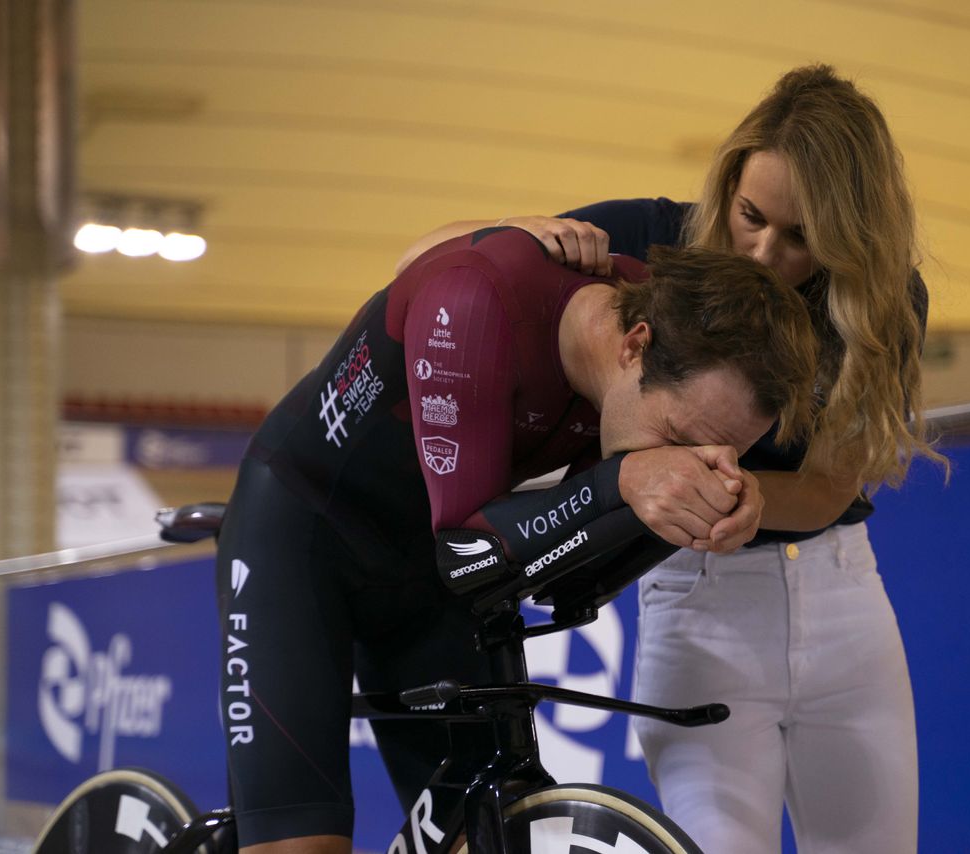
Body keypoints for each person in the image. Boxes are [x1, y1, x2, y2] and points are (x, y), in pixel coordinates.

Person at [398, 65, 946, 854]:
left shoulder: (885, 297)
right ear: (727, 183)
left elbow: (829, 488)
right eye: (751, 214)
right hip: (699, 603)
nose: (763, 252)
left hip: (845, 604)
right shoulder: (657, 238)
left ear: (850, 238)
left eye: (802, 238)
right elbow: (421, 261)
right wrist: (517, 231)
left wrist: (746, 494)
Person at [216, 224, 819, 853]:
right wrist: (624, 483)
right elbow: (463, 551)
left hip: (432, 573)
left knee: (480, 830)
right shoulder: (474, 302)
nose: (686, 464)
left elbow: (571, 580)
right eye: (680, 438)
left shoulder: (666, 347)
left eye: (717, 453)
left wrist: (705, 514)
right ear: (635, 346)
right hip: (301, 536)